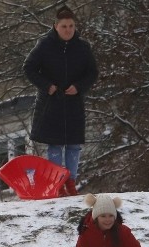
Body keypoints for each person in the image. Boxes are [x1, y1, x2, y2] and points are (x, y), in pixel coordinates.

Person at [23, 6, 98, 197]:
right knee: (55, 145)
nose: (68, 30)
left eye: (71, 26)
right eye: (64, 26)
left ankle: (71, 181)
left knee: (73, 144)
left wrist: (79, 86)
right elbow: (29, 68)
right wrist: (47, 86)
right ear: (56, 26)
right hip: (51, 103)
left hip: (73, 103)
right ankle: (57, 182)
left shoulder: (82, 47)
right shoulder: (45, 45)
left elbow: (92, 73)